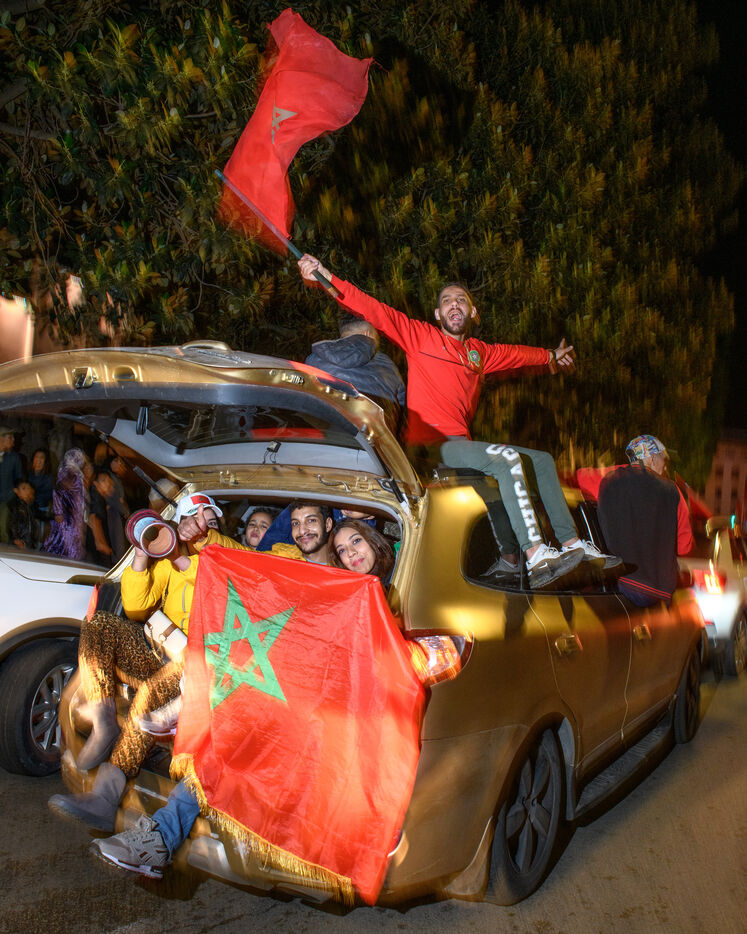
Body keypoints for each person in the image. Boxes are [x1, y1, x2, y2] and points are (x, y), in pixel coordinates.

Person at [90, 506, 392, 877]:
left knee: (237, 736)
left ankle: (192, 719)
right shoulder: (303, 566)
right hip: (280, 690)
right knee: (223, 741)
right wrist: (193, 546)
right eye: (343, 549)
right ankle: (159, 836)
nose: (350, 553)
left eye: (356, 543)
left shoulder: (382, 595)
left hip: (327, 710)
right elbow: (243, 568)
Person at [298, 255, 619, 588]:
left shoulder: (479, 353)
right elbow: (373, 309)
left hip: (461, 448)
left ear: (472, 312)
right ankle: (536, 555)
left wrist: (551, 356)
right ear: (438, 314)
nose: (454, 304)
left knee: (541, 461)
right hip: (429, 448)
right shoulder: (421, 336)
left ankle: (564, 546)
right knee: (507, 459)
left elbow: (516, 354)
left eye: (461, 300)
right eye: (446, 301)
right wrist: (325, 277)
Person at [47, 494, 227, 830]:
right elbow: (134, 607)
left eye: (210, 520)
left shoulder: (225, 560)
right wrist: (143, 555)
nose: (198, 525)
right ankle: (104, 721)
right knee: (100, 624)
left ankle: (105, 795)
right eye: (191, 518)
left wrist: (199, 541)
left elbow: (214, 579)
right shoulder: (170, 561)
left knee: (150, 694)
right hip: (159, 650)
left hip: (196, 666)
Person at [597, 435, 693, 606]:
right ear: (651, 458)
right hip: (659, 591)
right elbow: (684, 546)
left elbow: (580, 477)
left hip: (621, 583)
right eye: (664, 460)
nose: (665, 467)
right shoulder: (673, 491)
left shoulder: (609, 480)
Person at [305, 312, 405, 429]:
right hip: (374, 436)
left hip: (325, 433)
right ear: (367, 334)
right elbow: (402, 406)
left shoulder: (316, 358)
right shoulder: (388, 366)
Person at [43, 448, 91, 560]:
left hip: (73, 517)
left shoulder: (75, 474)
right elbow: (58, 492)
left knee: (68, 543)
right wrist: (59, 512)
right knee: (67, 544)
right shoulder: (68, 473)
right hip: (68, 518)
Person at [329, 518, 395, 581]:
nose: (350, 553)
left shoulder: (398, 574)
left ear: (375, 541)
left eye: (356, 541)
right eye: (342, 550)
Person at [0, 426, 23, 544]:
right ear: (1, 438)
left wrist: (16, 489)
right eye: (10, 437)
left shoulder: (14, 457)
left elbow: (19, 477)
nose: (13, 440)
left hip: (6, 500)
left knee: (4, 530)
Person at [9, 479, 39, 549]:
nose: (27, 491)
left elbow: (37, 516)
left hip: (29, 541)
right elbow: (12, 523)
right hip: (20, 542)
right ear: (16, 491)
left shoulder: (29, 505)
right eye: (23, 488)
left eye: (28, 488)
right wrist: (16, 538)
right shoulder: (15, 506)